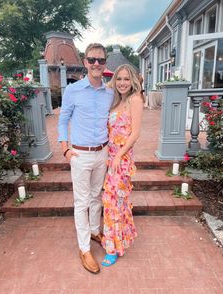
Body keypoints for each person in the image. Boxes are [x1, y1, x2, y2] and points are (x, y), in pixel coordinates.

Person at [58, 43, 113, 274]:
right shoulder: (73, 90)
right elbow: (63, 120)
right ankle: (84, 248)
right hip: (79, 154)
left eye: (100, 60)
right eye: (92, 60)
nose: (96, 64)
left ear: (105, 63)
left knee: (96, 197)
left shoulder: (110, 93)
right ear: (85, 62)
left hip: (102, 152)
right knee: (81, 202)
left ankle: (93, 230)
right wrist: (65, 149)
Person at [101, 64, 145, 266]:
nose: (122, 83)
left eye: (127, 79)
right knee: (116, 203)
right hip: (109, 158)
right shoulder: (115, 101)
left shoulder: (135, 100)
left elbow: (135, 134)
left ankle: (113, 248)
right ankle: (120, 240)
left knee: (112, 203)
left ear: (133, 81)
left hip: (122, 160)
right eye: (119, 79)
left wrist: (119, 155)